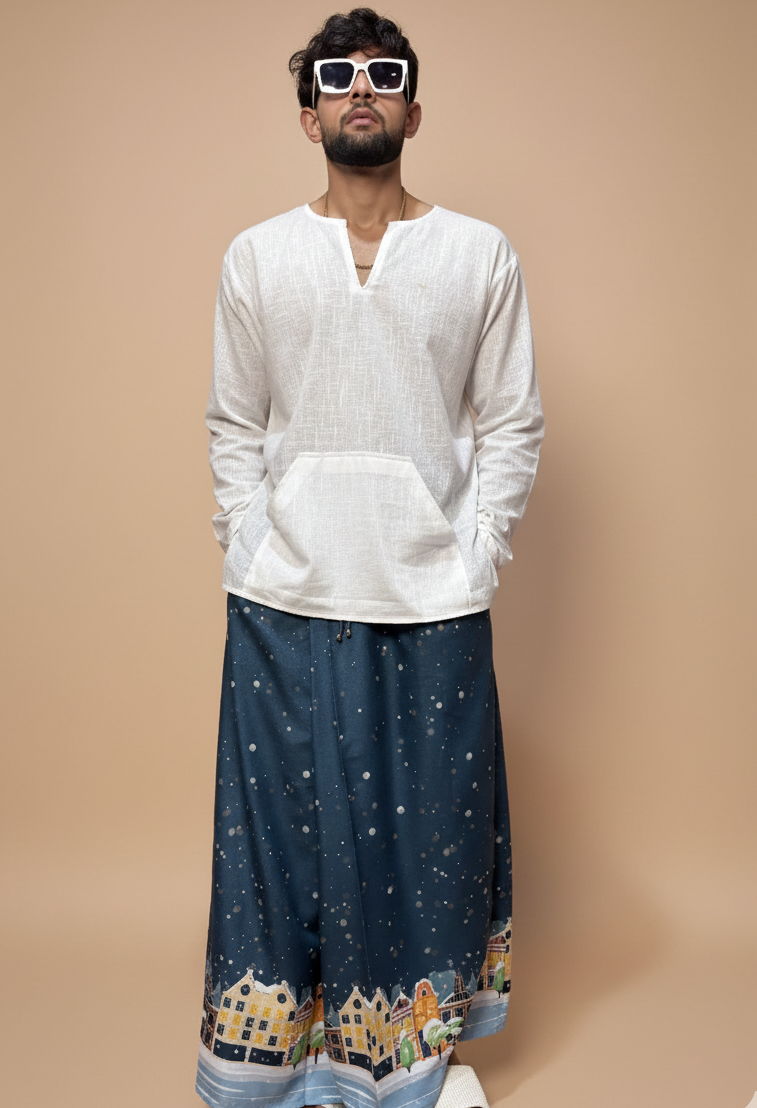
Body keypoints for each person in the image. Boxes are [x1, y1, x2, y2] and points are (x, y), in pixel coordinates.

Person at [195, 9, 544, 1108]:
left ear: (412, 110)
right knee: (283, 840)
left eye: (383, 74)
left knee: (424, 840)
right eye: (337, 77)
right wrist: (251, 536)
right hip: (284, 591)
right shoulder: (257, 256)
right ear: (309, 116)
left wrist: (474, 550)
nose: (360, 88)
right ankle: (281, 1074)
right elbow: (232, 424)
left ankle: (406, 1071)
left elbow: (511, 420)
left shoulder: (478, 254)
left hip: (431, 592)